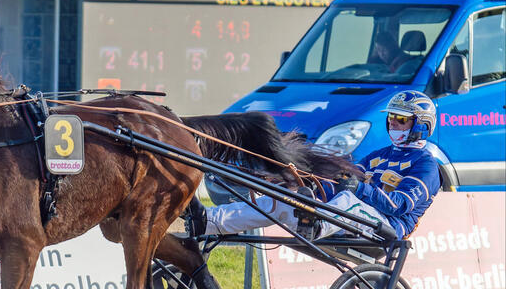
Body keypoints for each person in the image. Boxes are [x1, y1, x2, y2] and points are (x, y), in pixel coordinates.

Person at [188, 90, 442, 241]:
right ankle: (210, 221)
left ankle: (317, 224)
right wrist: (311, 183)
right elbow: (346, 180)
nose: (393, 124)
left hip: (389, 226)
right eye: (391, 118)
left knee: (348, 202)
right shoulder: (378, 155)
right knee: (283, 200)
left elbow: (399, 206)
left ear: (421, 125)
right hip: (351, 216)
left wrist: (358, 189)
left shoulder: (427, 166)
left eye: (401, 119)